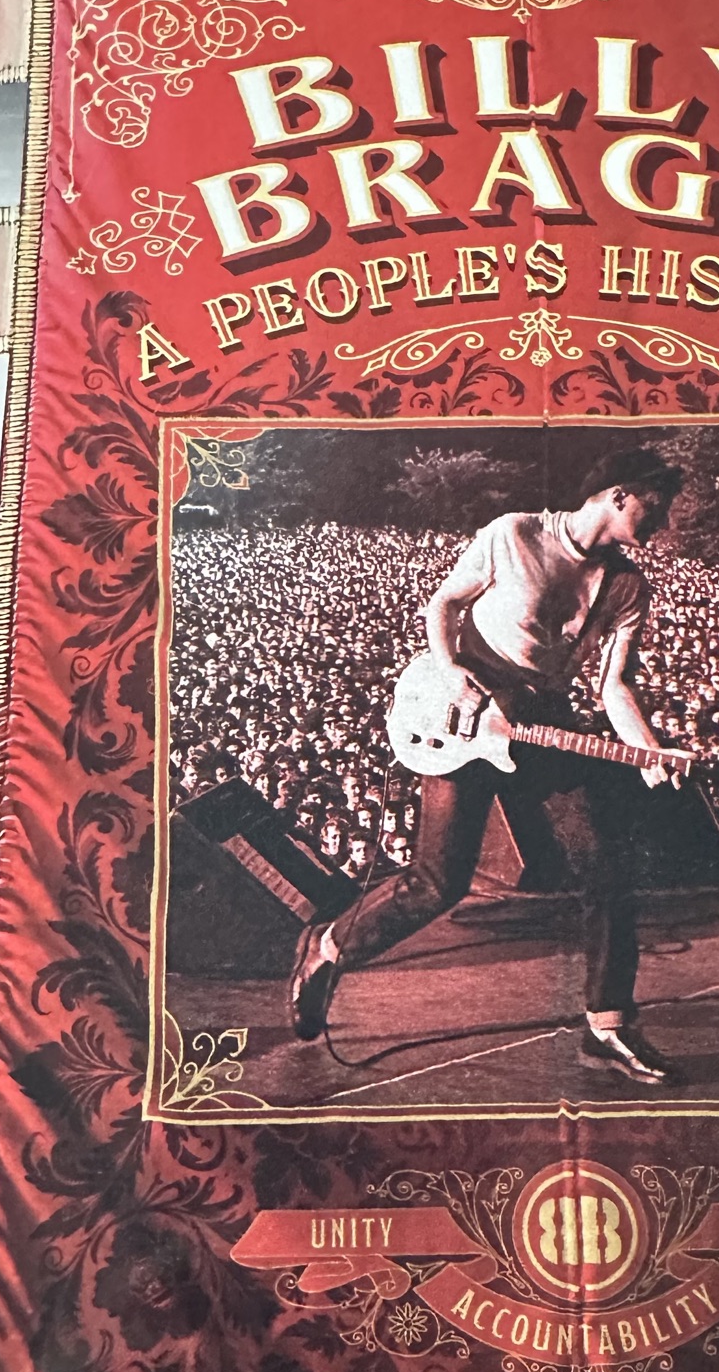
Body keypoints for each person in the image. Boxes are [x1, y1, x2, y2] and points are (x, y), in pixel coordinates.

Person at [289, 446, 687, 1084]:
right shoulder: (513, 533)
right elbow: (443, 606)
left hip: (541, 721)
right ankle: (330, 948)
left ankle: (609, 1025)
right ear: (620, 495)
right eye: (656, 507)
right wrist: (452, 676)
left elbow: (615, 686)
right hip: (465, 708)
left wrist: (649, 750)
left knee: (606, 867)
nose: (663, 523)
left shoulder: (628, 586)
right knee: (437, 883)